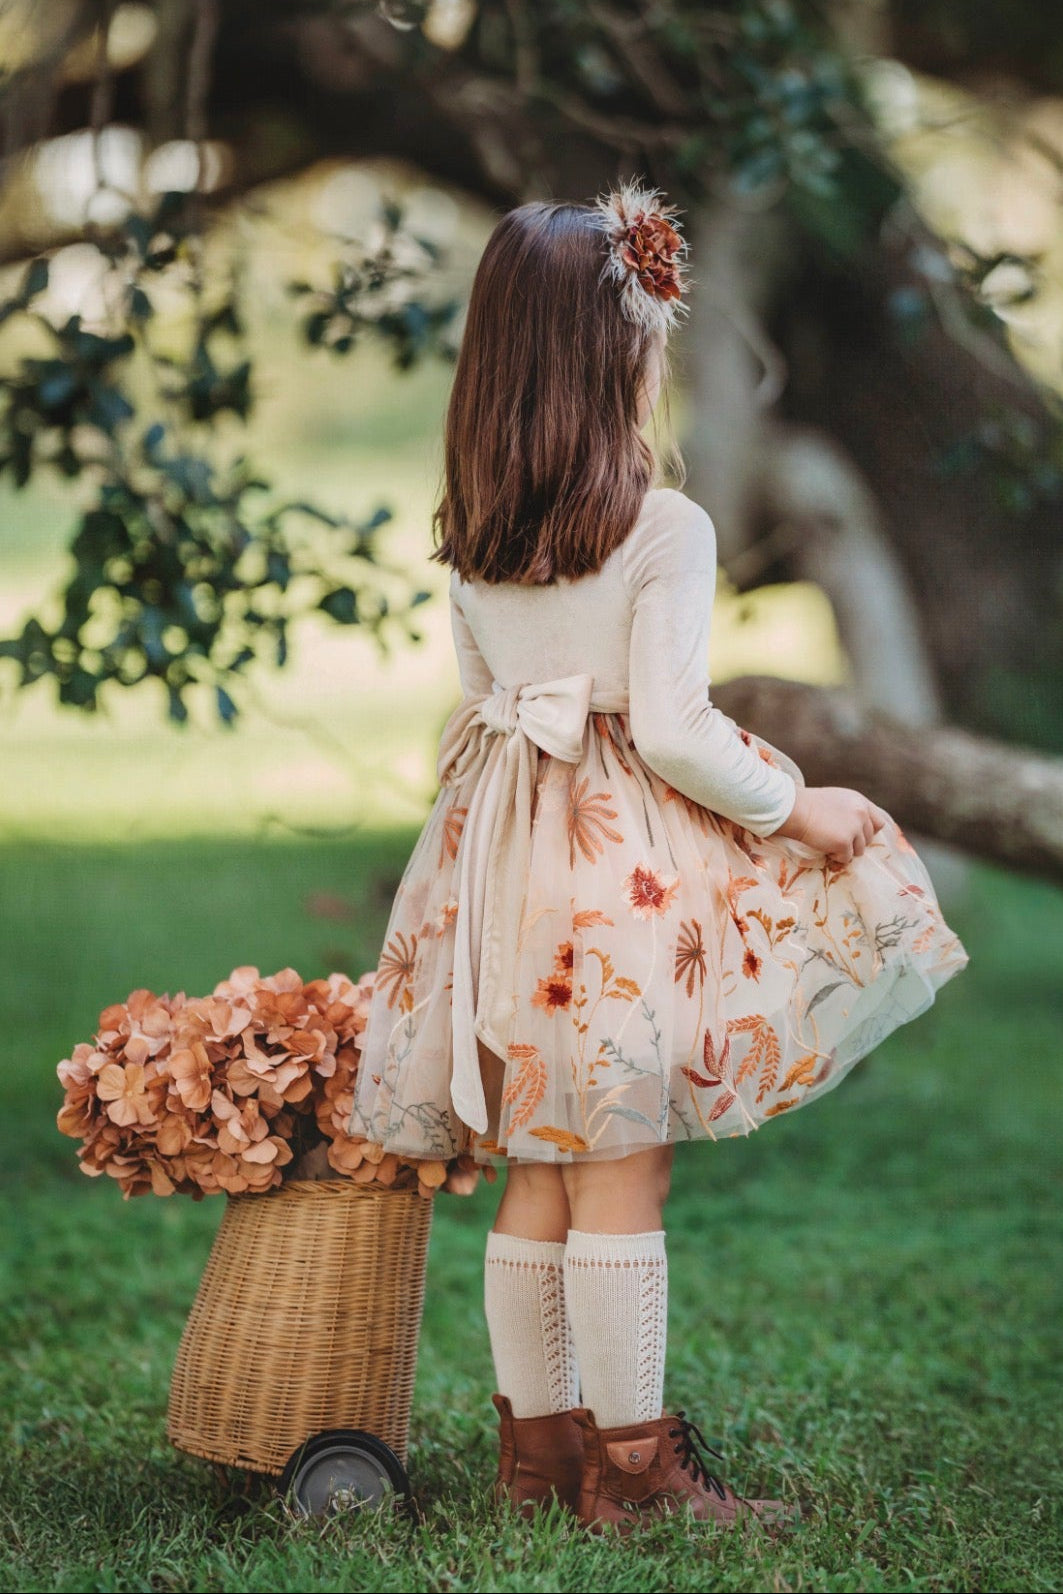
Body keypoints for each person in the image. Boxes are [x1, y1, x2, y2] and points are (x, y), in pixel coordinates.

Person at [350, 182, 967, 1534]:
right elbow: (677, 730)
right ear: (618, 352)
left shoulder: (477, 534)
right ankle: (631, 1474)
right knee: (623, 1156)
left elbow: (480, 708)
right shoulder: (663, 528)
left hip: (500, 863)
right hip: (616, 876)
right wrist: (803, 804)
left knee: (542, 1155)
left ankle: (536, 1455)